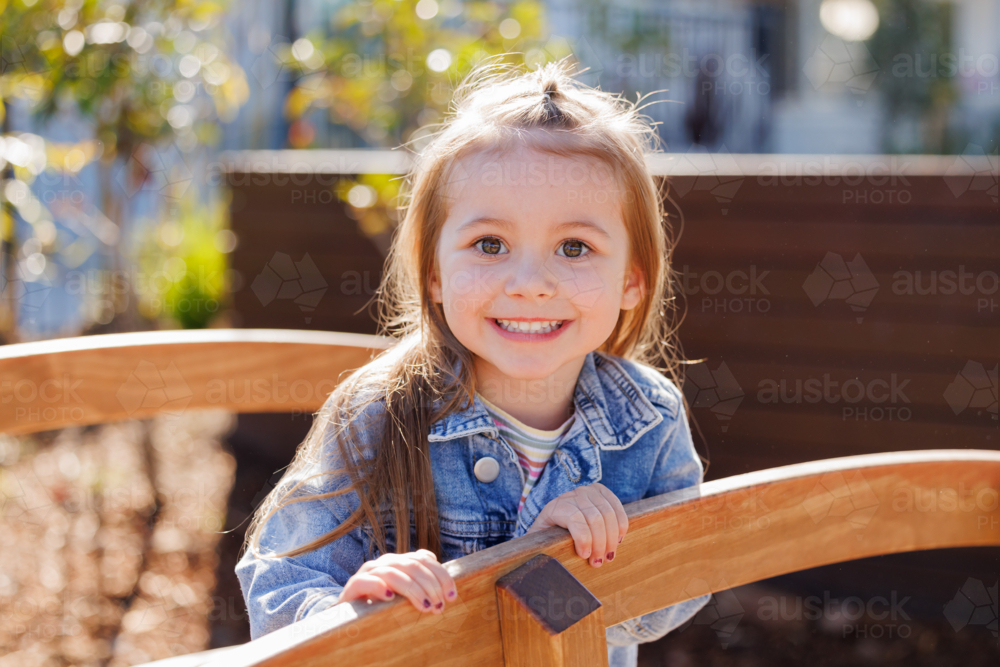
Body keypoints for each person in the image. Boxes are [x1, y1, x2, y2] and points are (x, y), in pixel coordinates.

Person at [236, 55, 712, 667]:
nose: (531, 282)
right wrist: (347, 613)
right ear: (434, 273)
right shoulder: (379, 413)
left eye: (575, 247)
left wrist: (579, 561)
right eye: (490, 244)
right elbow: (280, 580)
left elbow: (684, 586)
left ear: (632, 281)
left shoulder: (649, 417)